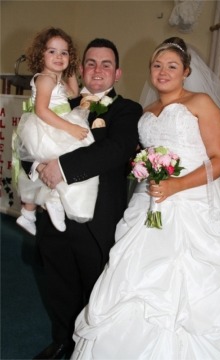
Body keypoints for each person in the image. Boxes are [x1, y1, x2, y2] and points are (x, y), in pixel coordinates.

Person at [70, 37, 220, 360]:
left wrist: (176, 186)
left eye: (172, 66)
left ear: (186, 71)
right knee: (129, 277)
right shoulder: (146, 112)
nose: (163, 72)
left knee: (181, 291)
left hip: (194, 207)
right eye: (157, 65)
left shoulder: (200, 103)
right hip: (149, 205)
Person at [23, 38, 142, 359]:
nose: (98, 69)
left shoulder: (127, 109)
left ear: (117, 73)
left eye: (106, 64)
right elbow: (30, 137)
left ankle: (90, 347)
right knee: (58, 281)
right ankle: (63, 338)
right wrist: (36, 166)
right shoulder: (59, 102)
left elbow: (115, 151)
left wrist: (61, 167)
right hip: (55, 213)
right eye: (91, 62)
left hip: (98, 219)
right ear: (80, 68)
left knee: (95, 288)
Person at [14, 27, 100, 236]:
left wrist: (69, 72)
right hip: (48, 128)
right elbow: (41, 110)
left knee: (66, 163)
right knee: (74, 156)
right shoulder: (45, 79)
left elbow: (73, 94)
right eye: (51, 51)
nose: (58, 56)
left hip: (56, 124)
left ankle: (32, 211)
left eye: (64, 52)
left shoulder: (56, 79)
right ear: (40, 54)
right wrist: (70, 127)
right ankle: (52, 200)